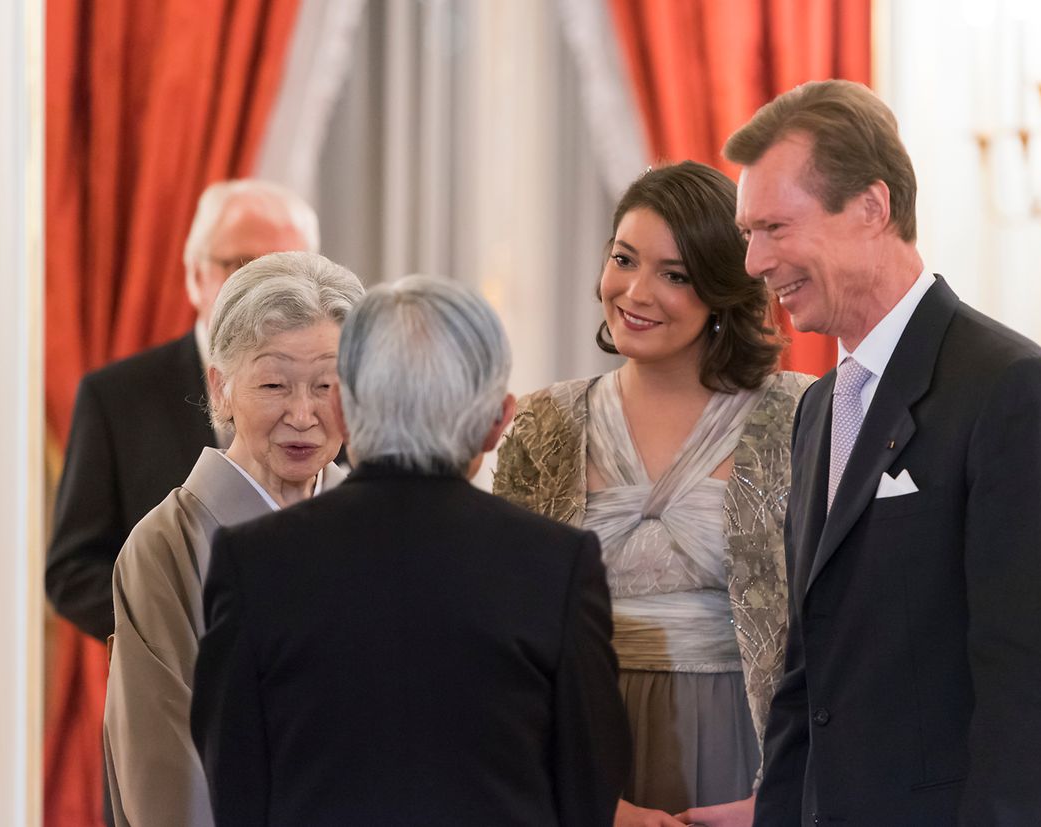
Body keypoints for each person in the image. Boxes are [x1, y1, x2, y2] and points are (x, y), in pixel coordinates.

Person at [726, 79, 1041, 826]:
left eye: (775, 227)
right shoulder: (818, 409)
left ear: (872, 207)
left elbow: (1029, 697)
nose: (755, 261)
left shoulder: (1011, 387)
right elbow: (807, 681)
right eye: (748, 234)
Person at [190, 275, 632, 826]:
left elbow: (235, 786)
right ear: (498, 422)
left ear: (342, 410)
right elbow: (589, 790)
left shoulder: (252, 561)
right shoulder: (557, 565)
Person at [494, 161, 811, 827]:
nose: (635, 292)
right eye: (624, 259)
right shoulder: (546, 422)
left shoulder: (801, 416)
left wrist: (787, 794)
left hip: (749, 756)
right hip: (581, 749)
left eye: (675, 274)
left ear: (723, 288)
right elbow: (506, 628)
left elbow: (843, 624)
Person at [103, 252, 363, 827]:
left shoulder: (378, 528)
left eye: (327, 385)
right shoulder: (166, 548)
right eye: (274, 384)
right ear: (220, 388)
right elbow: (167, 782)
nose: (303, 414)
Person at [46, 179, 319, 643]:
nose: (264, 293)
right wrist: (178, 632)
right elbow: (72, 571)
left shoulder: (338, 397)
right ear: (195, 276)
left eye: (285, 271)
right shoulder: (116, 397)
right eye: (242, 266)